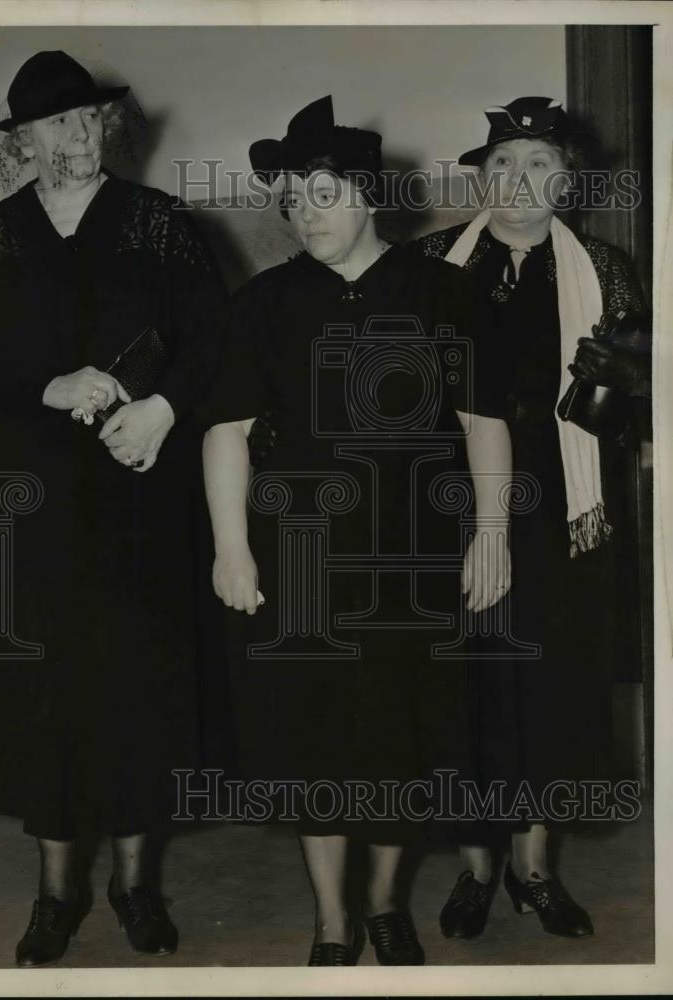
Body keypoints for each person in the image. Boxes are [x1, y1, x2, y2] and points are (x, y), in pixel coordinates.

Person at [202, 96, 512, 966]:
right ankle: (331, 922)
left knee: (400, 736)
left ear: (368, 195)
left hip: (414, 552)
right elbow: (224, 430)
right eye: (292, 199)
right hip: (300, 555)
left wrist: (491, 534)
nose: (305, 214)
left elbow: (483, 421)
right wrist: (232, 548)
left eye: (323, 194)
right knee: (313, 738)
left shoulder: (443, 291)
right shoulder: (263, 302)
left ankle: (383, 907)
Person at [0, 51, 226, 966]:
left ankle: (136, 884)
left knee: (140, 678)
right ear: (17, 140)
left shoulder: (162, 223)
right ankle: (56, 892)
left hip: (141, 483)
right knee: (46, 688)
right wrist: (45, 385)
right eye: (55, 123)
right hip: (30, 494)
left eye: (89, 118)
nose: (77, 135)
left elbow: (211, 341)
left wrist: (152, 402)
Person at [414, 96, 650, 940]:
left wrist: (619, 390)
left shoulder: (605, 269)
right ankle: (477, 868)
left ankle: (537, 867)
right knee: (465, 681)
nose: (518, 181)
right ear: (480, 177)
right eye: (503, 165)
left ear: (568, 180)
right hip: (449, 502)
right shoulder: (435, 260)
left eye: (538, 165)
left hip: (560, 507)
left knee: (552, 681)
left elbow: (633, 415)